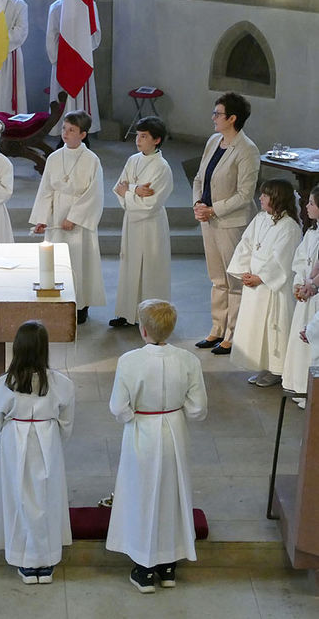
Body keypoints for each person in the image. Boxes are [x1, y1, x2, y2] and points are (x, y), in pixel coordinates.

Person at [106, 299, 207, 593]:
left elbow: (118, 407)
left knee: (142, 493)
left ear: (143, 331)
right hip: (174, 431)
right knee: (171, 493)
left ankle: (145, 568)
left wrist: (131, 418)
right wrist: (177, 410)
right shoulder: (189, 360)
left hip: (142, 430)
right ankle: (168, 566)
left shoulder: (129, 361)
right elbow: (198, 409)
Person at [0, 320, 74, 585]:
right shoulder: (61, 383)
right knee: (47, 498)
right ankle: (44, 561)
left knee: (18, 499)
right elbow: (67, 425)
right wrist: (54, 443)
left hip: (14, 441)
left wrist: (2, 445)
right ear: (45, 350)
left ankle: (25, 559)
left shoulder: (3, 384)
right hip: (48, 440)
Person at [192, 92, 260, 356]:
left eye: (218, 114)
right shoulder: (213, 141)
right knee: (216, 278)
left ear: (232, 118)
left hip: (231, 223)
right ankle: (217, 329)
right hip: (207, 219)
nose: (213, 118)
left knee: (233, 281)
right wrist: (198, 204)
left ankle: (232, 334)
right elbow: (200, 177)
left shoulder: (247, 150)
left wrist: (213, 210)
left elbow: (245, 195)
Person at [29, 110, 105, 324]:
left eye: (71, 130)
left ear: (83, 134)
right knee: (58, 263)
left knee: (80, 261)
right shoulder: (54, 157)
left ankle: (80, 306)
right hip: (57, 216)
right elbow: (46, 190)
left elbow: (94, 193)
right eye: (64, 128)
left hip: (79, 221)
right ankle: (58, 303)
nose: (65, 133)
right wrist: (43, 218)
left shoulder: (91, 160)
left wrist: (75, 217)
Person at [226, 179, 301, 386]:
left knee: (272, 327)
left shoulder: (290, 227)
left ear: (277, 199)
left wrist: (261, 277)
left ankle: (276, 370)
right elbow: (246, 244)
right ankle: (264, 366)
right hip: (254, 283)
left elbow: (283, 259)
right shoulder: (260, 218)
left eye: (265, 195)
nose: (260, 198)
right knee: (256, 328)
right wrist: (244, 272)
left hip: (272, 287)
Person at [110, 117, 173, 327]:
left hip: (151, 225)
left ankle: (151, 319)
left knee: (150, 270)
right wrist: (134, 190)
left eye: (144, 136)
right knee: (129, 265)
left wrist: (128, 190)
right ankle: (128, 313)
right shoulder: (133, 160)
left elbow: (150, 203)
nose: (138, 140)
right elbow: (118, 187)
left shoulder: (162, 168)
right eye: (137, 135)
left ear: (157, 140)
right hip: (132, 223)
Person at [46, 0, 101, 136]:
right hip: (63, 60)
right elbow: (51, 35)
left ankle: (83, 133)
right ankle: (64, 134)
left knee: (82, 98)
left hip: (81, 59)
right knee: (64, 97)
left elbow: (95, 32)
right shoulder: (56, 7)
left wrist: (83, 52)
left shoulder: (88, 5)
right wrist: (56, 59)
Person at [282, 185, 319, 403]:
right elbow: (299, 260)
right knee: (301, 341)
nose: (307, 206)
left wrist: (311, 286)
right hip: (306, 295)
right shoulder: (312, 232)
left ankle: (312, 393)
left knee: (313, 342)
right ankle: (299, 385)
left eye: (312, 203)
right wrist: (300, 283)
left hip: (316, 299)